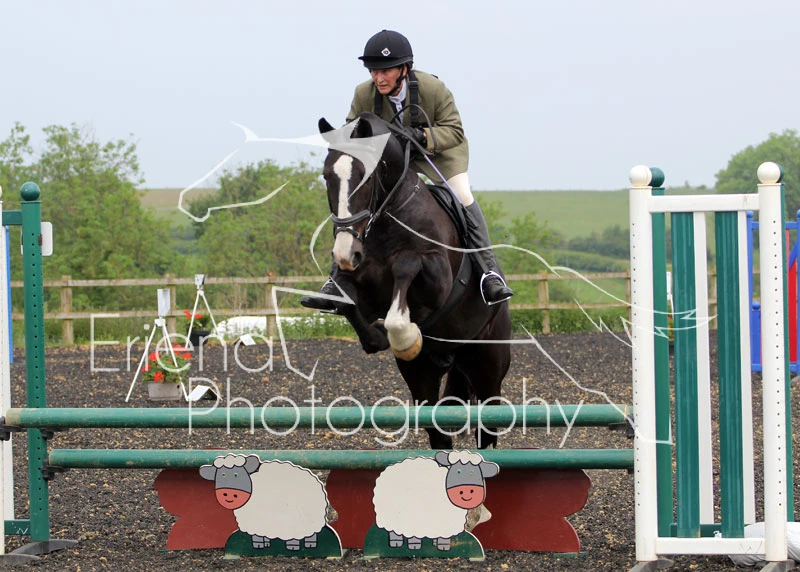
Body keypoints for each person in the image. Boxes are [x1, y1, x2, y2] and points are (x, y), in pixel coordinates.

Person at [301, 29, 513, 311]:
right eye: (374, 71)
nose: (379, 78)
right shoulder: (363, 93)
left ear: (404, 69)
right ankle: (335, 281)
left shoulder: (432, 88)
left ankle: (489, 272)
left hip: (437, 155)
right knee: (355, 200)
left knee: (462, 195)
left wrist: (422, 136)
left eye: (385, 71)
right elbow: (352, 133)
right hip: (393, 161)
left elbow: (454, 131)